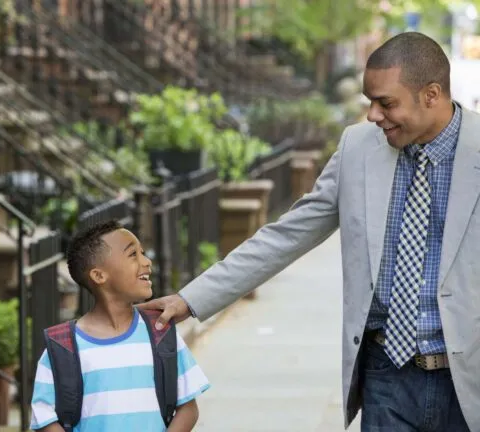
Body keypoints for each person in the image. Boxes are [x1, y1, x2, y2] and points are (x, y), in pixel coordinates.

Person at [139, 32, 478, 431]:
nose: (373, 115)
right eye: (370, 102)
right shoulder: (358, 149)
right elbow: (288, 234)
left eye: (386, 103)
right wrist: (191, 298)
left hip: (468, 376)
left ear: (432, 95)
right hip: (386, 374)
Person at [29, 220, 210, 431]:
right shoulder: (62, 346)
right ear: (99, 275)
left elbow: (188, 409)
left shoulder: (160, 331)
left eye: (142, 252)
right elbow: (45, 418)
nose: (146, 261)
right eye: (133, 254)